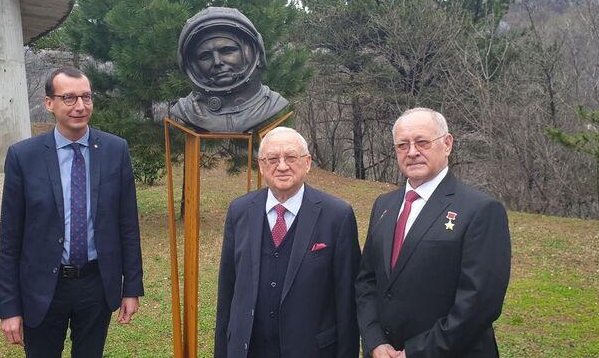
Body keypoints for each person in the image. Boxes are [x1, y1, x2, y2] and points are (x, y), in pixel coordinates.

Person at [0, 67, 144, 357]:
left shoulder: (115, 150)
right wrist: (9, 306)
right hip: (41, 288)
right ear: (49, 103)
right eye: (69, 98)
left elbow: (127, 225)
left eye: (86, 97)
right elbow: (10, 239)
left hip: (95, 285)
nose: (80, 106)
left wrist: (131, 288)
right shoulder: (23, 157)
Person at [355, 108, 511, 358]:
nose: (413, 152)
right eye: (403, 145)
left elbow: (479, 302)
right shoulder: (384, 205)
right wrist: (374, 341)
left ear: (447, 144)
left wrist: (416, 352)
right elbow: (367, 281)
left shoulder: (480, 210)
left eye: (422, 142)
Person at [214, 127, 360, 358]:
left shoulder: (337, 215)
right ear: (262, 166)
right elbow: (227, 291)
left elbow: (347, 302)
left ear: (308, 162)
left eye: (291, 157)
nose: (282, 166)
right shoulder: (239, 211)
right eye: (272, 159)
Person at [171, 6, 288, 133]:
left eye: (227, 51)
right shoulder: (186, 110)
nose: (217, 62)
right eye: (205, 56)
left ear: (252, 54)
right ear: (193, 66)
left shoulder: (272, 104)